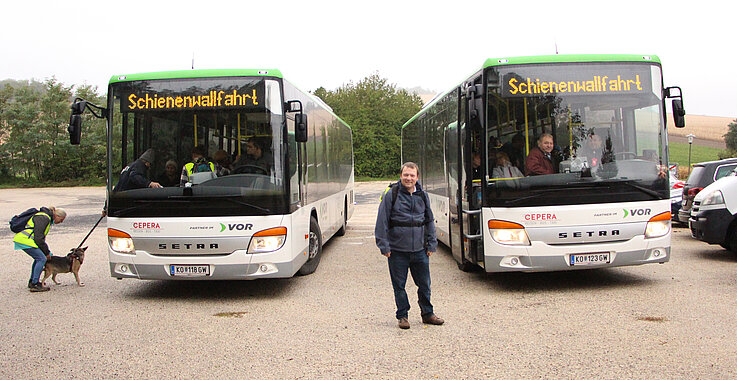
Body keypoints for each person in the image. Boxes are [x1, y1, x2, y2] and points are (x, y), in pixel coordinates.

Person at [375, 162, 444, 329]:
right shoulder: (392, 194)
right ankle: (403, 316)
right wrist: (384, 246)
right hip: (397, 251)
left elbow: (429, 220)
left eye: (412, 175)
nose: (409, 178)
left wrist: (431, 244)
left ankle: (427, 314)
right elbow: (382, 221)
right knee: (399, 286)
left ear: (417, 177)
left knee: (425, 284)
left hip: (420, 250)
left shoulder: (422, 195)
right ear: (401, 176)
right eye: (406, 175)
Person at [13, 206, 66, 292]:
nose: (61, 222)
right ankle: (35, 284)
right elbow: (39, 239)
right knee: (42, 258)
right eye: (61, 219)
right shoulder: (44, 218)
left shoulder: (44, 217)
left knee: (38, 258)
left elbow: (39, 238)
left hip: (25, 240)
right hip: (25, 240)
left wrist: (46, 251)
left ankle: (33, 281)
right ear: (57, 216)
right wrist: (47, 252)